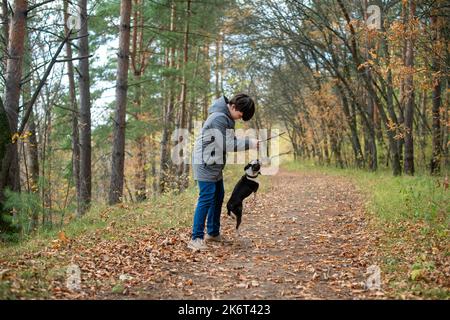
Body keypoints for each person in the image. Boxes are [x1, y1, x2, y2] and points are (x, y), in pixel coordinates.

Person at [188, 93, 259, 251]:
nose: (239, 118)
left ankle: (213, 233)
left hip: (214, 163)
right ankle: (196, 238)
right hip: (205, 163)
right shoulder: (219, 118)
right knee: (206, 198)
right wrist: (250, 143)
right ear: (233, 106)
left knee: (218, 196)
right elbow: (226, 144)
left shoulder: (226, 118)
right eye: (240, 115)